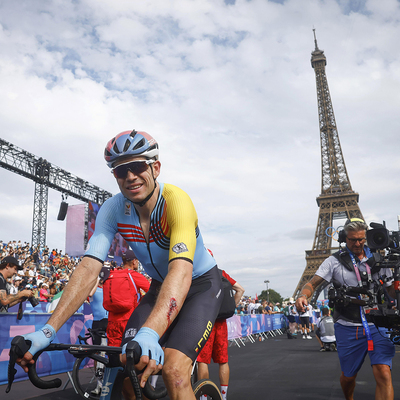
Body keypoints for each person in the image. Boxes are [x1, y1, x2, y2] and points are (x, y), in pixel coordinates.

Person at [16, 129, 223, 400]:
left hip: (200, 285)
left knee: (174, 370)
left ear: (156, 168)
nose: (130, 177)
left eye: (138, 167)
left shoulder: (176, 202)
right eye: (120, 171)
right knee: (128, 370)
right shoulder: (113, 209)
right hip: (161, 287)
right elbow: (89, 269)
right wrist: (48, 330)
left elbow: (181, 272)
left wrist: (150, 331)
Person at [295, 218, 395, 400]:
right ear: (344, 239)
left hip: (378, 324)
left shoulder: (379, 260)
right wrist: (303, 296)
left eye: (361, 239)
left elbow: (390, 293)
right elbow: (313, 283)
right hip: (348, 326)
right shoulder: (333, 262)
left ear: (366, 237)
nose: (357, 243)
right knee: (348, 378)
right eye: (352, 240)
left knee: (384, 372)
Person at [197, 270, 244, 400]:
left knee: (202, 361)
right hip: (221, 322)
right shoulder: (221, 273)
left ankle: (204, 396)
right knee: (223, 361)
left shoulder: (197, 272)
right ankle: (223, 396)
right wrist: (231, 307)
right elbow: (240, 290)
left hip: (205, 320)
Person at [104, 249, 150, 347]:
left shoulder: (112, 274)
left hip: (112, 320)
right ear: (134, 262)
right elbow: (151, 291)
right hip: (129, 320)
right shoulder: (134, 275)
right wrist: (141, 299)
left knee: (113, 353)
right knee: (130, 353)